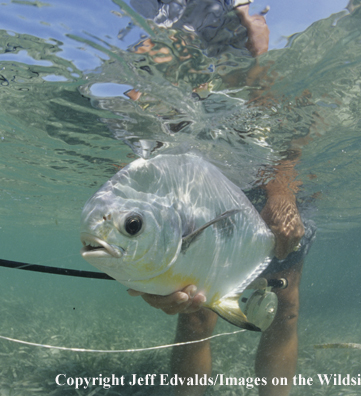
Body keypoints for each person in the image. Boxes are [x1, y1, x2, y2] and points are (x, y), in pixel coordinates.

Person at [125, 1, 315, 395]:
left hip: (265, 187)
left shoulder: (258, 54)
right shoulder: (155, 55)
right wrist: (150, 272)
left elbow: (292, 129)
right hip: (202, 195)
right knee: (196, 317)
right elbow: (143, 168)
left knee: (285, 307)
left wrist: (281, 192)